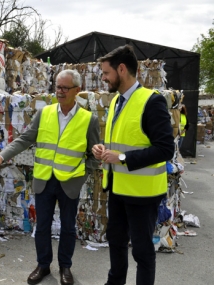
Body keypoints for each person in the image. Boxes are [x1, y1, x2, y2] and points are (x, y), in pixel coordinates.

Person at [0, 69, 100, 285]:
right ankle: (43, 265)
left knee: (68, 227)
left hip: (70, 182)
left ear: (77, 90)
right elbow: (24, 139)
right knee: (42, 225)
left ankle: (65, 268)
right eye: (57, 86)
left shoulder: (88, 119)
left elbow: (93, 154)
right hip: (44, 180)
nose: (60, 91)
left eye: (65, 88)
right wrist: (2, 156)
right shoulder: (45, 113)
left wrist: (82, 177)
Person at [92, 45, 174, 285]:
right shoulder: (117, 100)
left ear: (122, 69)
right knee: (116, 242)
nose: (104, 78)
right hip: (118, 188)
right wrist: (102, 150)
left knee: (142, 251)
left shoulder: (151, 101)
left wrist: (123, 158)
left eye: (106, 73)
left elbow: (165, 149)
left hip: (142, 192)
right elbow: (123, 141)